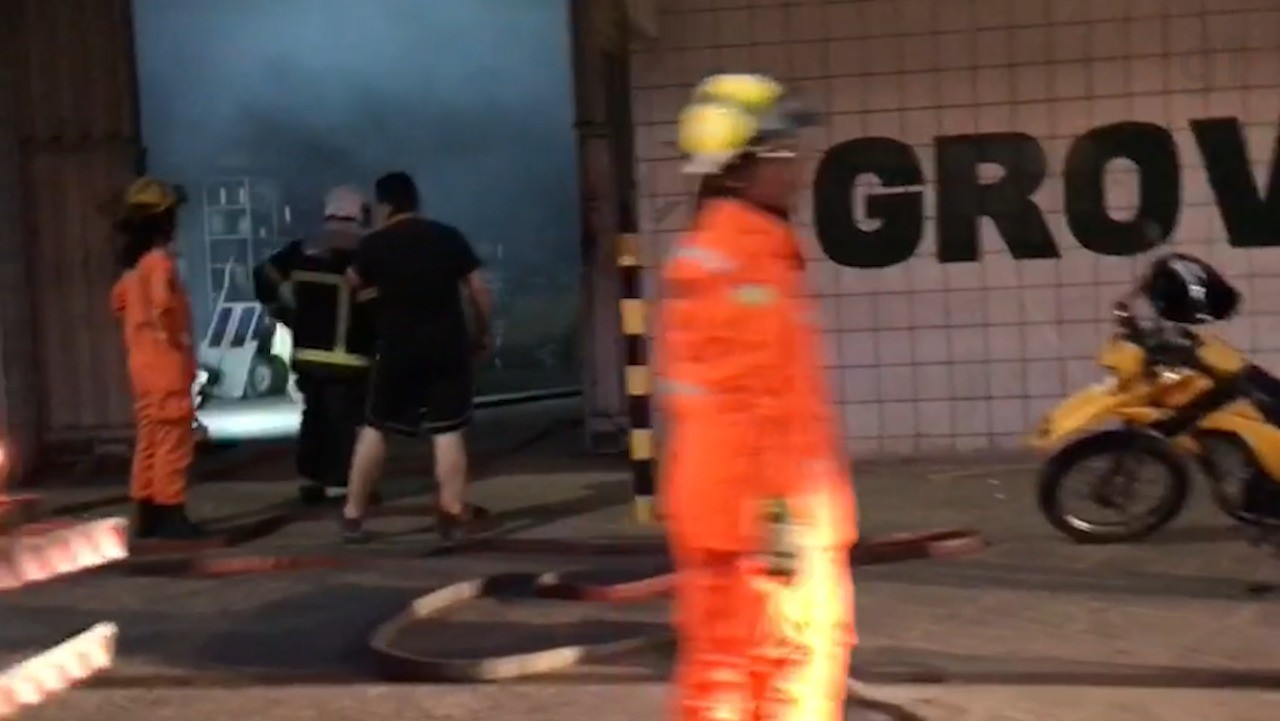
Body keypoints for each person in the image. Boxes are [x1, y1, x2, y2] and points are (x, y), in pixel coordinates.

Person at [657, 74, 858, 720]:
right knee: (788, 672)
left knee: (720, 675)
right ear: (747, 165)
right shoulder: (748, 265)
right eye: (785, 152)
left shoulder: (713, 252)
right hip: (769, 525)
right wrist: (783, 524)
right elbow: (760, 406)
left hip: (722, 515)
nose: (798, 167)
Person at [342, 172, 495, 543]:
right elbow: (478, 289)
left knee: (376, 428)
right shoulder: (448, 237)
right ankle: (453, 512)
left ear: (384, 205)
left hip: (396, 349)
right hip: (446, 348)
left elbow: (352, 285)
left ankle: (353, 515)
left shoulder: (373, 245)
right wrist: (482, 331)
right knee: (447, 430)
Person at [254, 186, 378, 505]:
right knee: (343, 420)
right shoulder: (366, 251)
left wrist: (282, 308)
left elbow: (263, 273)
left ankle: (311, 478)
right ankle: (339, 482)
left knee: (315, 416)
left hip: (307, 353)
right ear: (359, 213)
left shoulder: (304, 248)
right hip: (351, 355)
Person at [109, 177, 205, 539]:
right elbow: (165, 306)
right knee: (173, 440)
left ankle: (147, 512)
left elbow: (117, 305)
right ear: (164, 220)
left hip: (142, 366)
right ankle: (170, 513)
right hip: (166, 365)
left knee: (150, 438)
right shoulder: (160, 263)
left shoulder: (130, 270)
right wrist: (176, 340)